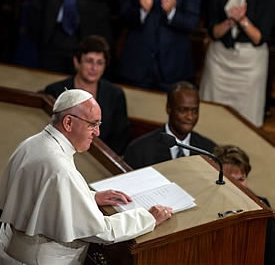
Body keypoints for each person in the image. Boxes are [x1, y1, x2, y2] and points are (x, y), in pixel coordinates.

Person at [0, 89, 173, 264]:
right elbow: (101, 231)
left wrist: (91, 197)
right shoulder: (60, 167)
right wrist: (148, 217)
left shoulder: (31, 144)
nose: (97, 132)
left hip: (11, 247)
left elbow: (46, 197)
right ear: (68, 122)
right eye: (93, 124)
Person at [200, 0, 275, 127]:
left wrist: (242, 20)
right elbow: (214, 32)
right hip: (219, 62)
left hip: (249, 65)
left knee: (245, 121)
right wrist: (229, 21)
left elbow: (260, 37)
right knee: (212, 117)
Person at [44, 35, 130, 155]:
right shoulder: (55, 91)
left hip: (103, 161)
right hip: (62, 154)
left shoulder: (115, 95)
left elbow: (120, 137)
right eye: (89, 61)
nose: (94, 68)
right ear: (77, 62)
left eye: (100, 63)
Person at [124, 81, 217, 169]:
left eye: (195, 111)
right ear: (169, 109)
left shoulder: (209, 150)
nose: (190, 117)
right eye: (183, 110)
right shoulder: (140, 149)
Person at [214, 144, 275, 265]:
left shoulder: (261, 206)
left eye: (241, 180)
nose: (239, 187)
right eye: (231, 181)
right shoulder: (205, 210)